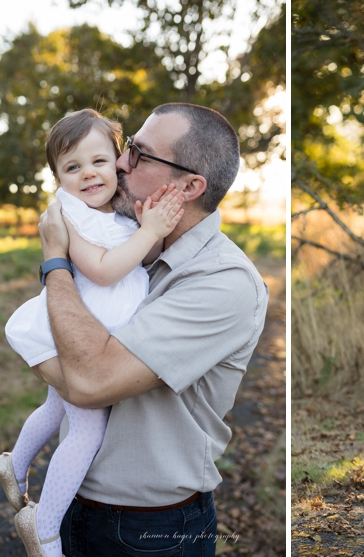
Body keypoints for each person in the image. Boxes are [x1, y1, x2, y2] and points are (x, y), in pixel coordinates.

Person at [31, 102, 267, 556]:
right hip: (79, 502)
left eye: (137, 153)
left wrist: (55, 262)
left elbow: (89, 381)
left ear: (190, 185)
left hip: (150, 531)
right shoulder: (128, 241)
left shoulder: (224, 282)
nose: (118, 162)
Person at [0, 109, 183, 557]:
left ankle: (14, 463)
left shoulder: (114, 213)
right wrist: (151, 230)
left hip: (98, 330)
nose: (88, 174)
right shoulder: (68, 215)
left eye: (98, 161)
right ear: (57, 176)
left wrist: (151, 226)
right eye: (71, 167)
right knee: (86, 429)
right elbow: (102, 270)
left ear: (119, 162)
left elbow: (141, 252)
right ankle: (46, 526)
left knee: (56, 405)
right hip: (85, 332)